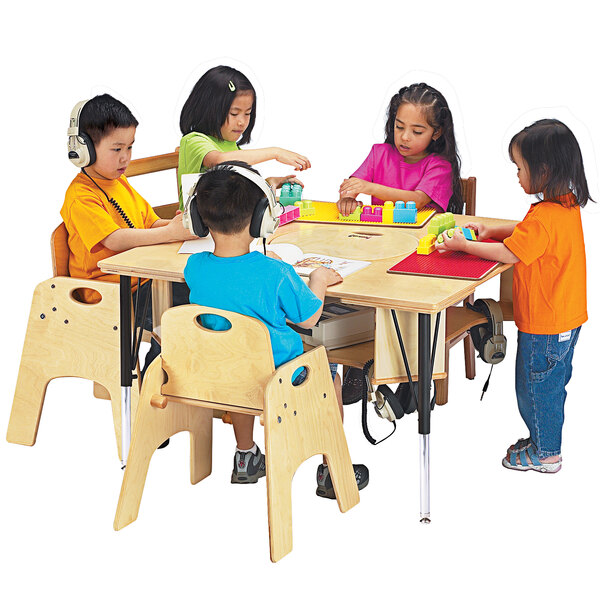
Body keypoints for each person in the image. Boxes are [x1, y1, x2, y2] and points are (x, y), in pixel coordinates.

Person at [183, 161, 369, 498]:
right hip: (280, 378)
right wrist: (318, 279)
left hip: (222, 375)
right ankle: (331, 468)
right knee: (330, 370)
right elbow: (309, 318)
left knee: (241, 370)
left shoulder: (194, 266)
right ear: (261, 219)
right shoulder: (275, 274)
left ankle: (245, 457)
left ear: (198, 217)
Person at [436, 119, 590, 473]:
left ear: (544, 170)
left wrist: (465, 244)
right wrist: (492, 228)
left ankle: (546, 452)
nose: (517, 175)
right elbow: (527, 234)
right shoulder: (562, 205)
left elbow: (511, 253)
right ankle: (542, 439)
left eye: (520, 168)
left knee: (535, 388)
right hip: (565, 318)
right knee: (549, 384)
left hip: (546, 323)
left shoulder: (545, 218)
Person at [339, 82, 464, 404]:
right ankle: (360, 362)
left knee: (404, 298)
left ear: (436, 133)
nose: (405, 137)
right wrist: (350, 195)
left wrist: (370, 186)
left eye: (416, 130)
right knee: (352, 284)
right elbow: (352, 185)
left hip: (419, 260)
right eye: (399, 127)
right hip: (377, 249)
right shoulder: (380, 153)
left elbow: (418, 199)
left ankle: (416, 368)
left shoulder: (439, 166)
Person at [61, 93, 196, 376]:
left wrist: (180, 227)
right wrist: (169, 234)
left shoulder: (118, 182)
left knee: (206, 290)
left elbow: (149, 223)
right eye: (116, 149)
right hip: (111, 295)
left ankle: (187, 381)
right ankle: (155, 383)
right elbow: (114, 239)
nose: (125, 158)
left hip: (143, 281)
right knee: (182, 314)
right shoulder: (80, 196)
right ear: (83, 149)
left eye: (130, 147)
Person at [177, 65, 310, 209]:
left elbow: (234, 196)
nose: (241, 122)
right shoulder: (194, 141)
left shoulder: (231, 146)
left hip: (230, 226)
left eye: (247, 113)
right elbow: (219, 161)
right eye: (234, 113)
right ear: (209, 109)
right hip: (199, 230)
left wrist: (270, 183)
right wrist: (275, 152)